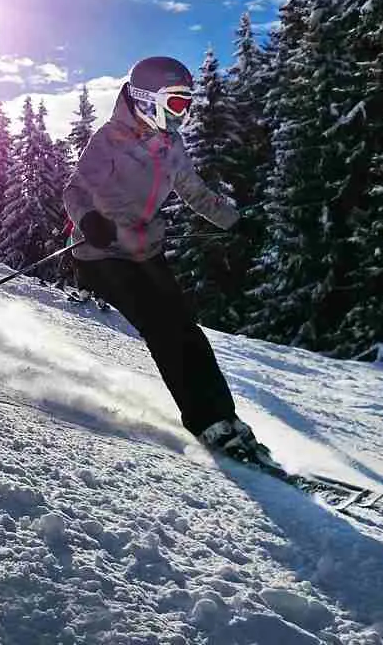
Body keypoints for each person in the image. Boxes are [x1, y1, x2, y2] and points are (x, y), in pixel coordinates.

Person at [63, 55, 268, 462]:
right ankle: (206, 421)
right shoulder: (109, 139)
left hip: (144, 250)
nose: (183, 113)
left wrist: (235, 222)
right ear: (145, 98)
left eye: (187, 104)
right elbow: (75, 190)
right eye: (176, 103)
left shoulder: (171, 145)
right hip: (102, 253)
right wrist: (89, 219)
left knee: (187, 331)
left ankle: (227, 419)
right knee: (163, 329)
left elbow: (195, 192)